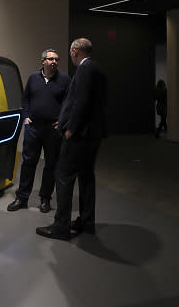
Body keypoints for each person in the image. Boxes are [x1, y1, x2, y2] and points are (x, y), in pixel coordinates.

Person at [36, 37, 107, 241]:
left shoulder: (84, 69)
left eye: (68, 54)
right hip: (93, 135)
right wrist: (66, 121)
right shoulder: (97, 70)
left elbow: (81, 102)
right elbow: (92, 104)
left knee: (64, 176)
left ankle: (61, 226)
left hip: (79, 136)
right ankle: (86, 221)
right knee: (86, 177)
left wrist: (70, 129)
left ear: (75, 51)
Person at [7, 49, 70, 213]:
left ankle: (45, 199)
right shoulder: (34, 78)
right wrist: (25, 117)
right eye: (51, 59)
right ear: (43, 61)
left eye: (56, 59)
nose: (54, 62)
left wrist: (62, 120)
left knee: (51, 165)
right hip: (33, 127)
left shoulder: (64, 79)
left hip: (52, 129)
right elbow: (25, 97)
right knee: (28, 163)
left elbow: (69, 102)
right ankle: (22, 198)